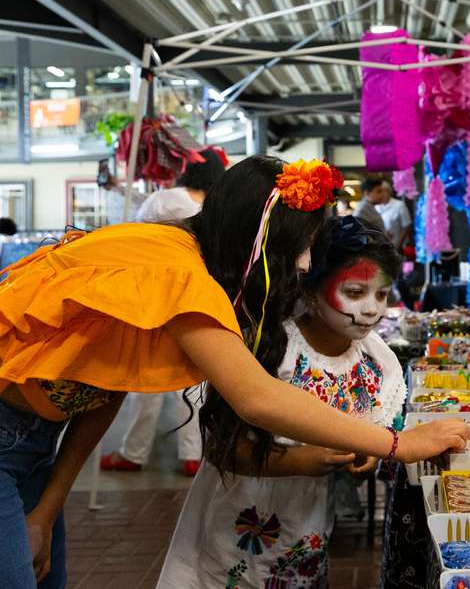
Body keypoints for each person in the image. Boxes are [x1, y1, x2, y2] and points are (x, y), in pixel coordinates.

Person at [0, 155, 468, 589]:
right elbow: (257, 400)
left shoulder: (177, 262)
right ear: (260, 238)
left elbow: (105, 389)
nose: (306, 265)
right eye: (301, 246)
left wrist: (46, 509)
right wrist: (398, 443)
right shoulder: (174, 270)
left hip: (20, 446)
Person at [158, 215, 406, 587]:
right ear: (310, 291)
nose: (371, 308)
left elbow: (373, 431)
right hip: (241, 522)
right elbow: (224, 450)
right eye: (354, 293)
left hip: (308, 527)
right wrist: (301, 460)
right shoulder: (274, 350)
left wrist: (366, 452)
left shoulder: (375, 362)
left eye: (381, 294)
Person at [102, 150, 225, 477]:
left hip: (154, 293)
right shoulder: (219, 206)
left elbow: (136, 233)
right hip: (200, 292)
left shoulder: (166, 199)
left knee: (147, 373)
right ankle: (193, 454)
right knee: (195, 373)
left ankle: (133, 452)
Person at [368, 177, 412, 251]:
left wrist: (398, 245)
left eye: (382, 191)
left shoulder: (399, 205)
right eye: (378, 192)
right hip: (379, 247)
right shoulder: (375, 206)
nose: (380, 194)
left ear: (389, 192)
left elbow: (406, 226)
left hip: (396, 245)